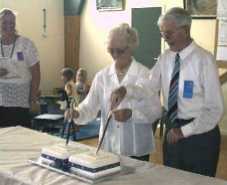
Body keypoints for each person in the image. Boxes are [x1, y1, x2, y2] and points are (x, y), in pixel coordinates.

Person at [66, 23, 161, 161]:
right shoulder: (102, 76)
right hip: (108, 146)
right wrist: (77, 112)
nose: (115, 55)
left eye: (120, 51)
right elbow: (89, 106)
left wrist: (131, 114)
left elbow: (155, 111)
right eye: (111, 50)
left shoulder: (145, 74)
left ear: (131, 48)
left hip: (136, 148)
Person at [150, 7, 224, 176]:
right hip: (172, 130)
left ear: (185, 30)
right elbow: (148, 86)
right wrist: (127, 90)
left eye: (169, 32)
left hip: (200, 134)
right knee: (173, 178)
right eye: (162, 33)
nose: (165, 38)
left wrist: (184, 131)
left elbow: (215, 109)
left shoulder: (204, 60)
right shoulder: (165, 58)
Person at [0, 8, 40, 128]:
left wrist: (33, 99)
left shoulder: (26, 44)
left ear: (15, 23)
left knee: (20, 138)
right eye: (4, 22)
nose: (8, 26)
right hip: (1, 100)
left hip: (21, 101)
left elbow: (36, 73)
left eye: (11, 22)